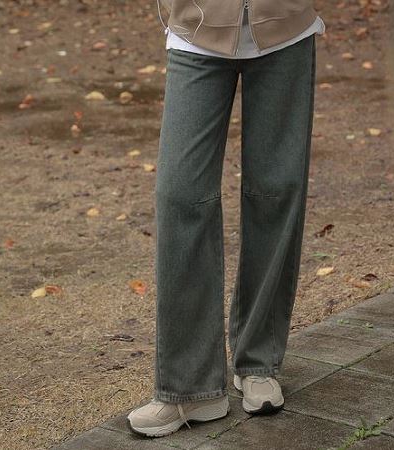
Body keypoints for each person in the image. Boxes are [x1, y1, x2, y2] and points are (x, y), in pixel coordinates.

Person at [128, 0, 325, 437]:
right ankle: (190, 390)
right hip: (197, 29)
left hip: (286, 29)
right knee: (180, 195)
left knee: (276, 192)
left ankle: (258, 362)